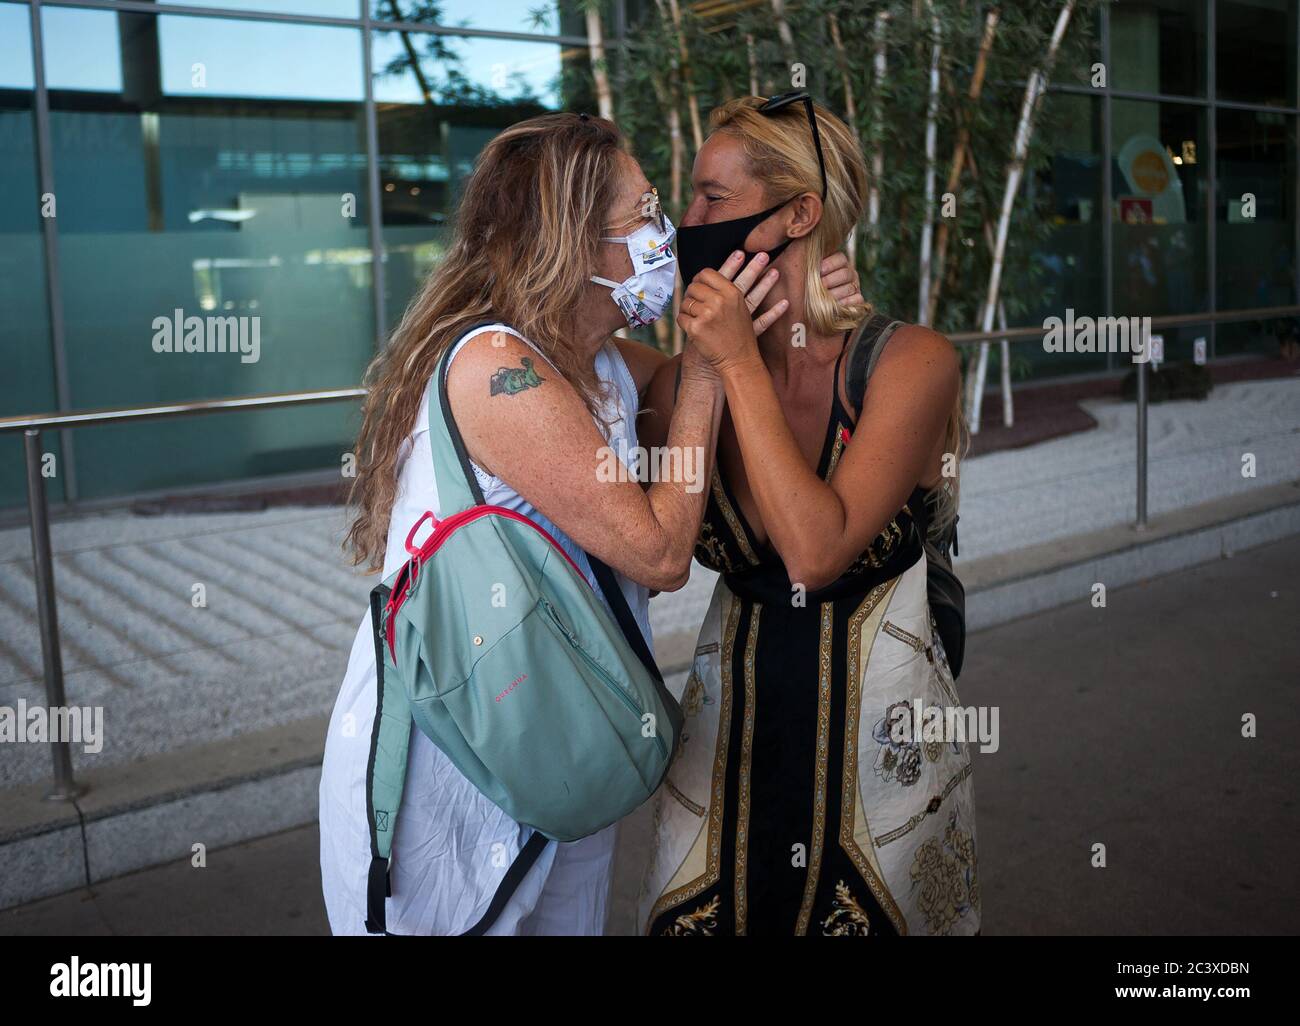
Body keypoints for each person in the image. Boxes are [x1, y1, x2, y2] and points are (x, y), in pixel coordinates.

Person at [318, 111, 862, 936]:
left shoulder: (600, 363)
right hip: (459, 759)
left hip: (562, 739)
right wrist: (716, 368)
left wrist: (803, 311)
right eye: (644, 216)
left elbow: (704, 386)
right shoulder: (497, 368)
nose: (669, 234)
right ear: (573, 243)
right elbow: (659, 550)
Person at [637, 96, 979, 936]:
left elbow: (815, 550)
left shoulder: (911, 363)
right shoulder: (679, 385)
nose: (689, 223)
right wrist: (708, 361)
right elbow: (551, 334)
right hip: (723, 749)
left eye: (713, 199)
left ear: (801, 213)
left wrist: (732, 362)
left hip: (882, 759)